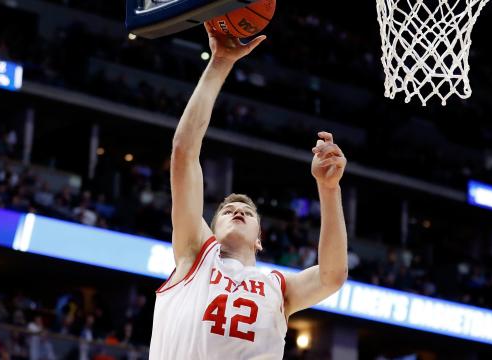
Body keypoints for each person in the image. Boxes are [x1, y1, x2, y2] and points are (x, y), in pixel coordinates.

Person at [148, 24, 348, 360]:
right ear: (209, 229)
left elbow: (332, 275)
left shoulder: (278, 288)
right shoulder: (196, 254)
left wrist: (329, 190)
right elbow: (184, 152)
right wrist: (220, 63)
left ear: (259, 238)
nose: (237, 210)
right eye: (227, 210)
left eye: (247, 211)